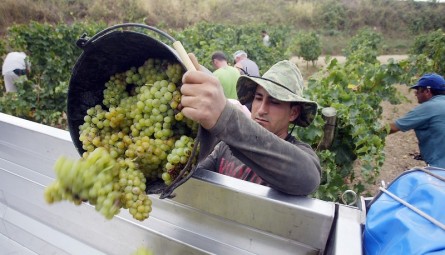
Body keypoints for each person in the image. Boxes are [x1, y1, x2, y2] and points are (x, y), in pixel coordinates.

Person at [180, 54, 321, 196]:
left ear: (293, 113)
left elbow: (308, 178)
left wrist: (225, 118)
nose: (261, 110)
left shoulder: (298, 154)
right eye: (258, 98)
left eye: (274, 102)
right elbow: (191, 173)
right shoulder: (226, 146)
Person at [389, 73, 445, 168]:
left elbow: (393, 127)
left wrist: (368, 134)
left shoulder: (429, 107)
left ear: (427, 91)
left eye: (418, 90)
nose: (415, 94)